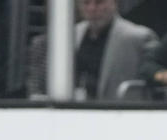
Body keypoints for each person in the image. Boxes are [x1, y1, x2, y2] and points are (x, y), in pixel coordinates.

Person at [28, 0, 158, 101]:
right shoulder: (70, 36)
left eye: (99, 2)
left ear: (114, 2)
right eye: (86, 3)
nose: (92, 8)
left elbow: (157, 85)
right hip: (73, 116)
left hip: (119, 118)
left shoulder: (139, 38)